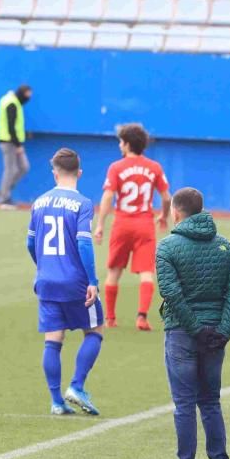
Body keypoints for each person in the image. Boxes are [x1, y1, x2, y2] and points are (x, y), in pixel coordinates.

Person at [156, 188, 230, 459]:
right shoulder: (225, 247)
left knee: (184, 403)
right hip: (214, 336)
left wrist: (195, 328)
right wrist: (222, 331)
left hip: (182, 332)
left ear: (177, 213)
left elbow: (171, 293)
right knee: (210, 401)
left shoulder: (167, 247)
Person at [27, 148, 104, 416]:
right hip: (75, 281)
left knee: (53, 339)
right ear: (79, 173)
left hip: (46, 280)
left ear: (54, 173)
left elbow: (30, 242)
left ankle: (56, 401)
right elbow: (84, 243)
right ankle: (77, 386)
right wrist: (92, 280)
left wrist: (44, 267)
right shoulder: (83, 203)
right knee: (95, 330)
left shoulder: (39, 202)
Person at [94, 123, 172, 331]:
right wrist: (164, 215)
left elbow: (108, 196)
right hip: (145, 224)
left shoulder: (116, 167)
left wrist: (100, 224)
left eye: (121, 142)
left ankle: (110, 318)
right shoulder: (154, 167)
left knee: (114, 271)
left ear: (127, 145)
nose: (120, 145)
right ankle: (142, 317)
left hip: (122, 224)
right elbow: (166, 197)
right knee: (147, 272)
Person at [0, 84, 33, 209]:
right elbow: (10, 126)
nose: (28, 99)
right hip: (9, 142)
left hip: (12, 141)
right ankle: (4, 199)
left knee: (23, 167)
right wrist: (18, 145)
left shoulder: (12, 101)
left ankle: (3, 190)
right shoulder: (12, 103)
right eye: (27, 95)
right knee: (10, 170)